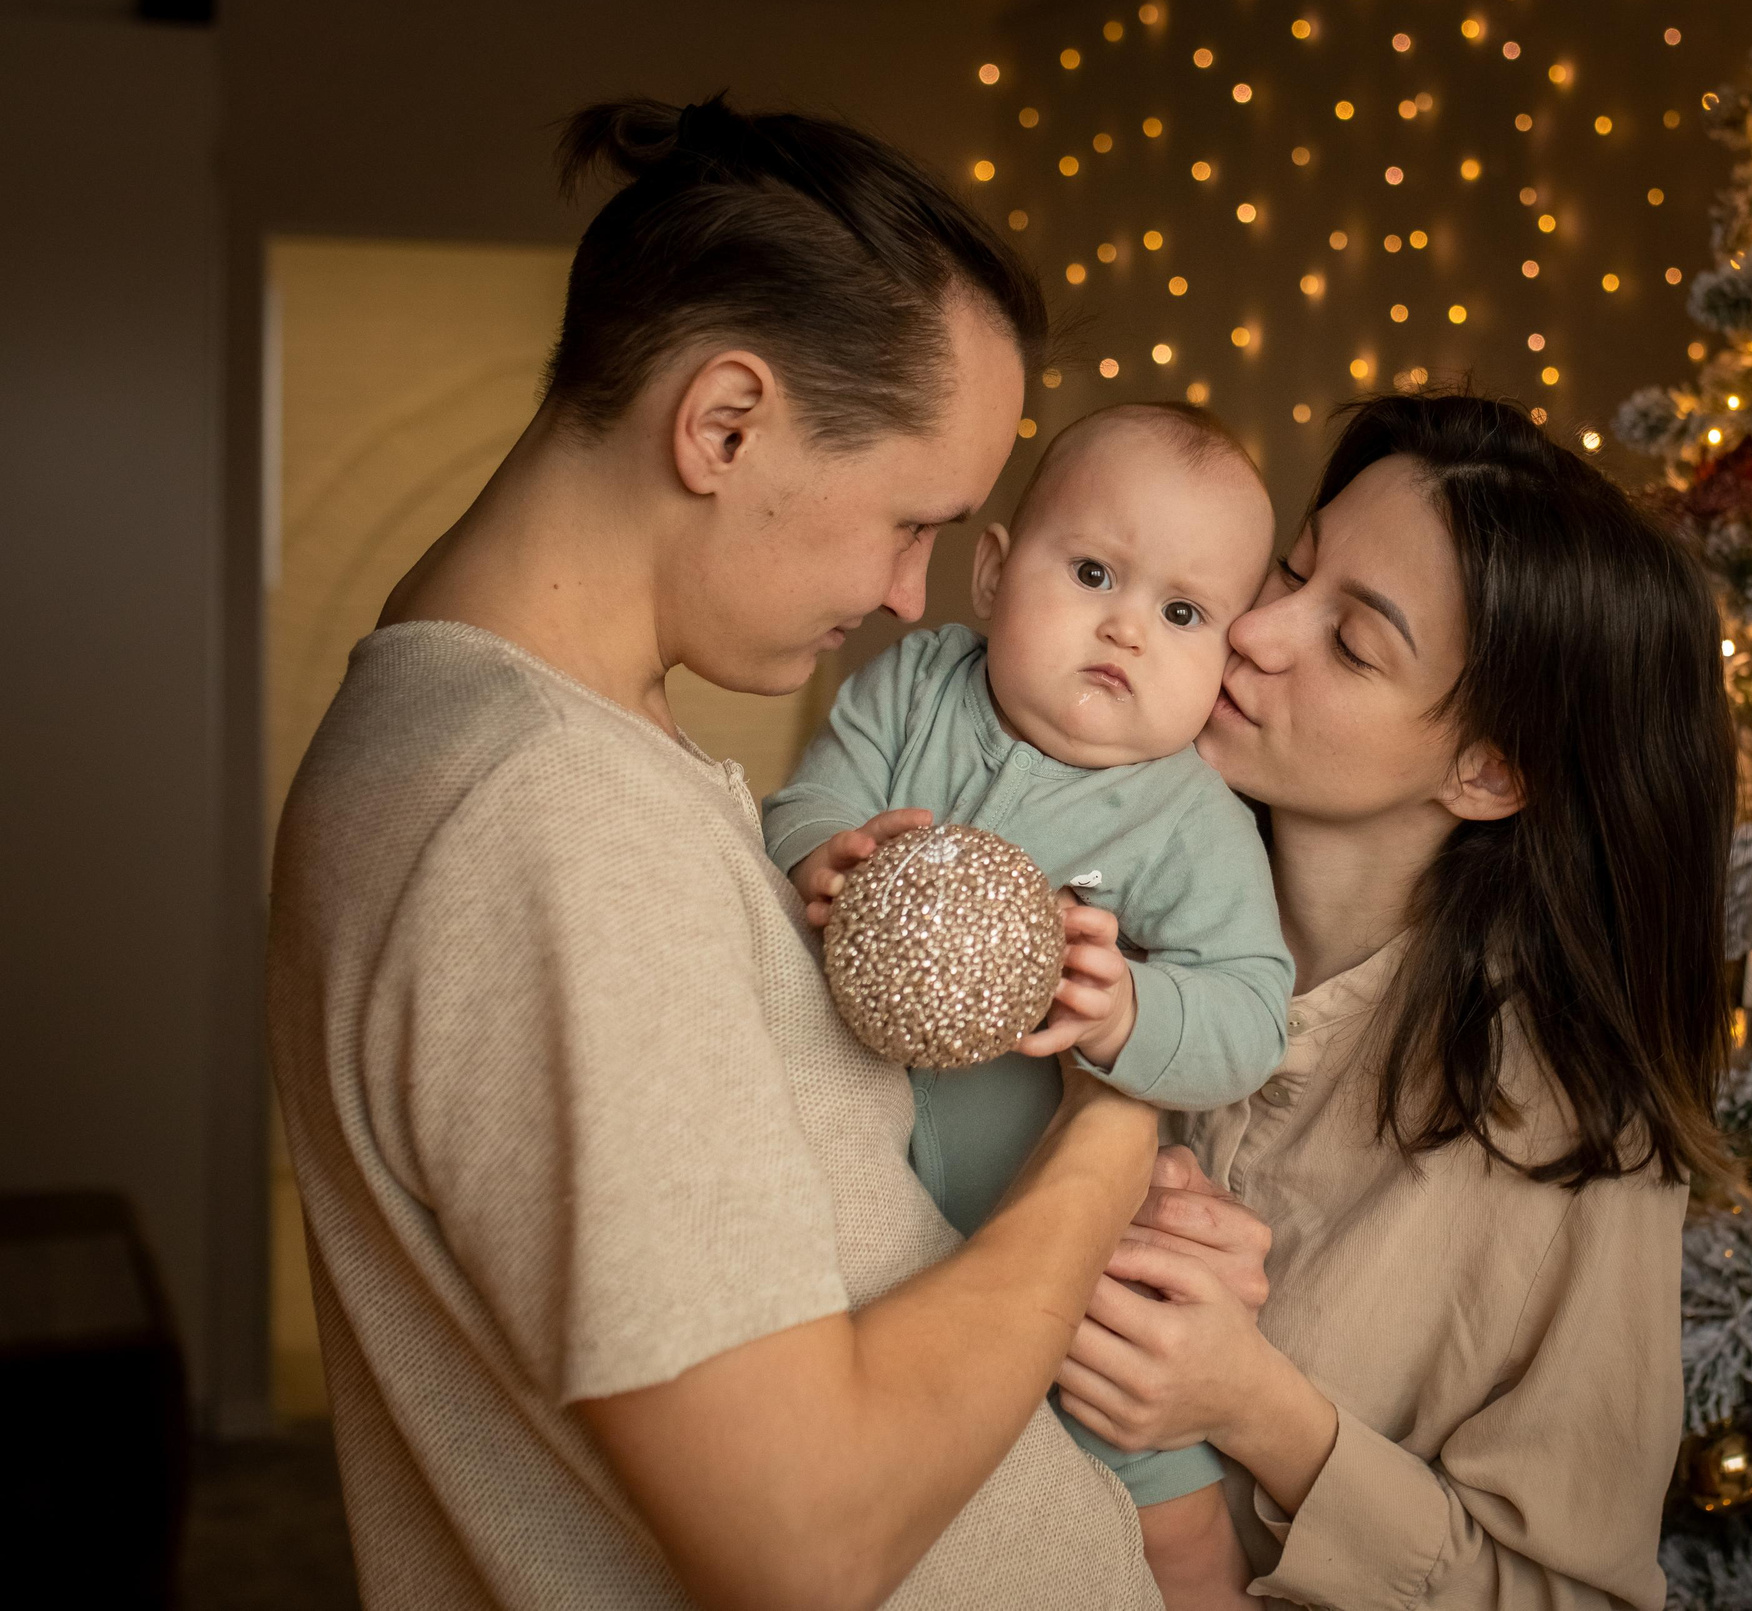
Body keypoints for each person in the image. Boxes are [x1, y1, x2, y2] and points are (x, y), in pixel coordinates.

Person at [266, 96, 1167, 1611]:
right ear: (724, 422)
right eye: (912, 520)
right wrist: (1112, 1136)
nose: (911, 595)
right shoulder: (548, 814)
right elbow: (800, 1537)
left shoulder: (533, 746)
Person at [1058, 393, 1736, 1609]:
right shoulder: (1081, 877)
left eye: (1353, 643)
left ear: (1485, 770)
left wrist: (1256, 1410)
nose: (1255, 629)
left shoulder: (1573, 1142)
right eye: (1293, 567)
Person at [763, 402, 1293, 1604]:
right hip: (862, 1233)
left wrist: (1126, 1012)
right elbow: (807, 800)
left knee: (1175, 1537)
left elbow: (1252, 1012)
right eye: (1093, 572)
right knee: (915, 1512)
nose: (1125, 627)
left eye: (1183, 614)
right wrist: (823, 854)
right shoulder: (917, 686)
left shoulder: (1188, 817)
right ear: (996, 574)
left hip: (1079, 1266)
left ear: (1223, 659)